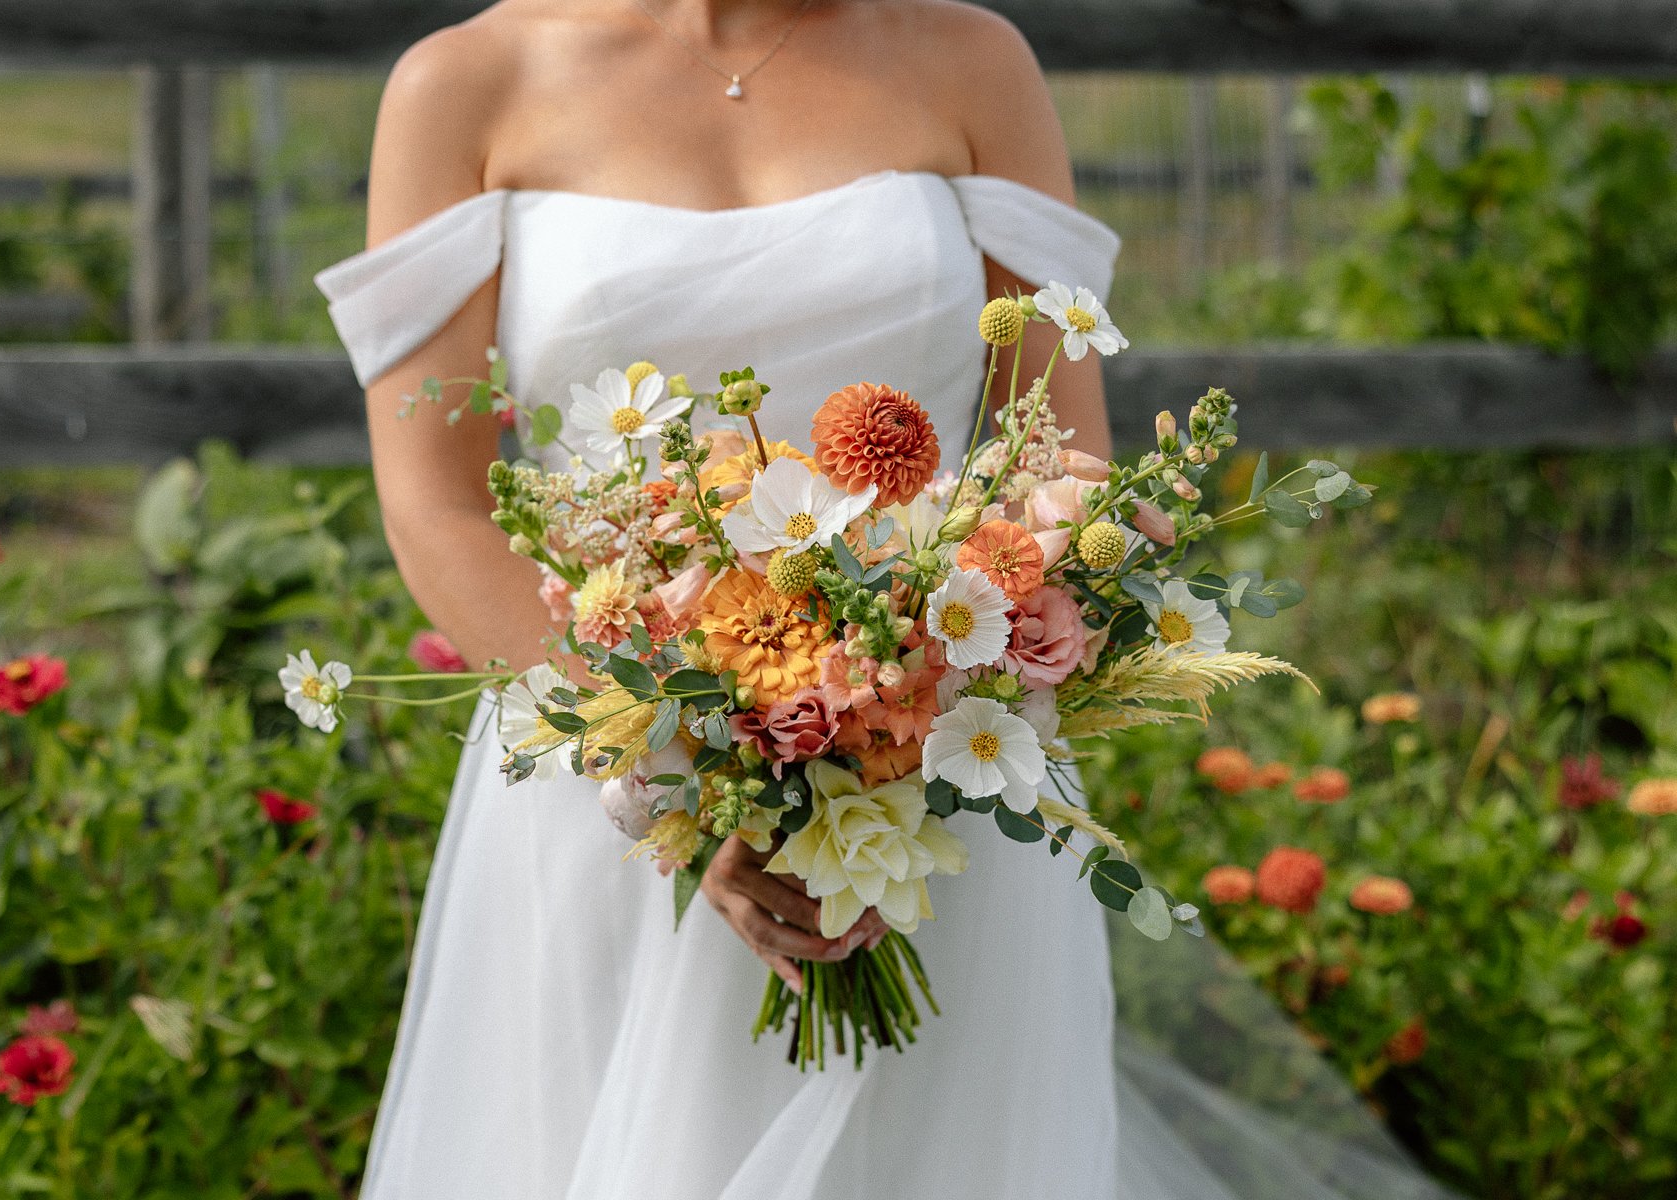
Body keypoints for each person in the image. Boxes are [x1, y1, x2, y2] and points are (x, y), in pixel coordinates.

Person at [317, 2, 1468, 1197]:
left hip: (935, 775)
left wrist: (926, 675)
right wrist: (679, 776)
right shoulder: (466, 85)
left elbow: (1060, 455)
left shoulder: (974, 63)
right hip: (602, 790)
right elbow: (436, 504)